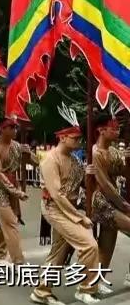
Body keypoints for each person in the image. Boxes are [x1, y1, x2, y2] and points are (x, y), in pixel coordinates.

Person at [30, 111, 101, 305]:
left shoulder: (76, 160)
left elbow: (87, 187)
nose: (79, 142)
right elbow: (57, 195)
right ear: (62, 137)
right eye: (75, 138)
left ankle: (41, 291)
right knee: (89, 245)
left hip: (69, 207)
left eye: (80, 138)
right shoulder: (50, 160)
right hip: (55, 208)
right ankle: (85, 288)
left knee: (58, 252)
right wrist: (79, 218)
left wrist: (90, 176)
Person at [90, 113, 128, 293]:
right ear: (101, 130)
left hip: (115, 200)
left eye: (118, 127)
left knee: (107, 244)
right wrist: (123, 203)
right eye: (113, 128)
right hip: (102, 202)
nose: (117, 131)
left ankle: (97, 280)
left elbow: (123, 172)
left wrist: (127, 159)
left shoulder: (113, 151)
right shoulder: (95, 152)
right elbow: (104, 184)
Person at [0, 117, 29, 267]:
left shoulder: (17, 146)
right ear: (2, 129)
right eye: (11, 127)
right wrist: (16, 192)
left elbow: (33, 162)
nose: (15, 130)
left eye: (15, 128)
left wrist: (28, 155)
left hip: (13, 186)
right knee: (11, 222)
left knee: (6, 222)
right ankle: (19, 261)